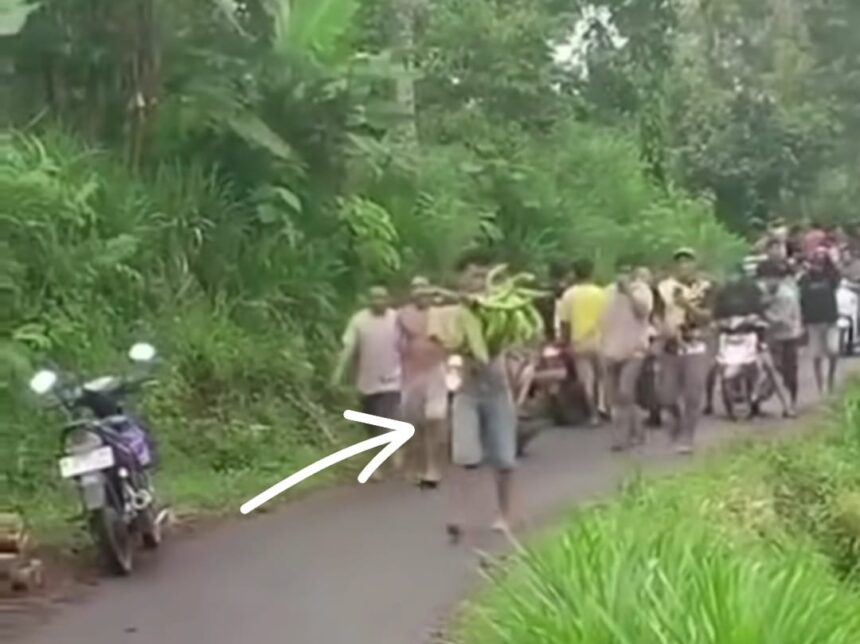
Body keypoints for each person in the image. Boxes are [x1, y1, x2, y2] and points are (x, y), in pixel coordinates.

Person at [438, 250, 518, 541]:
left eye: (482, 276)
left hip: (497, 388)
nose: (477, 282)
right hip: (467, 391)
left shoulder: (502, 311)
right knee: (464, 457)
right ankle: (458, 514)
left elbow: (513, 341)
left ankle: (504, 514)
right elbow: (448, 346)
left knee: (504, 459)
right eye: (472, 276)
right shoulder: (454, 314)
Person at [332, 286, 403, 475]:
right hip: (367, 382)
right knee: (371, 424)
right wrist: (338, 373)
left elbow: (407, 347)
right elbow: (349, 349)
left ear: (388, 299)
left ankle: (379, 464)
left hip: (393, 379)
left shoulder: (397, 319)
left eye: (382, 298)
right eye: (374, 298)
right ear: (368, 300)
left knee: (385, 416)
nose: (378, 301)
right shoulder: (359, 320)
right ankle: (389, 449)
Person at [657, 248, 713, 454]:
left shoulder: (705, 287)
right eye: (679, 262)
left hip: (695, 344)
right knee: (667, 396)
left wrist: (686, 305)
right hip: (670, 346)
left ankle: (688, 436)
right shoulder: (663, 288)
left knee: (693, 394)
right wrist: (661, 330)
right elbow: (655, 314)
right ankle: (677, 425)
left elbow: (707, 316)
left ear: (695, 265)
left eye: (688, 262)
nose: (683, 266)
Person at [398, 276, 448, 488]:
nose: (420, 293)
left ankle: (433, 468)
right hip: (410, 375)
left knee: (434, 420)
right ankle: (414, 464)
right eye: (416, 288)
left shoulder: (440, 314)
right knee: (413, 425)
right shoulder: (402, 315)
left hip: (436, 371)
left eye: (424, 288)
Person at [601, 261, 653, 451]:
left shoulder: (641, 290)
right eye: (619, 272)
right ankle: (637, 429)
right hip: (611, 349)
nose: (622, 276)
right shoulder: (606, 292)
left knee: (625, 391)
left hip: (635, 349)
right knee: (614, 398)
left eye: (626, 271)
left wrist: (628, 293)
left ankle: (620, 438)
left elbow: (643, 312)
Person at [558, 258, 608, 425]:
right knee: (604, 378)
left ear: (574, 273)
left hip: (579, 342)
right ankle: (605, 408)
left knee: (586, 380)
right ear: (591, 272)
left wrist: (565, 343)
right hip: (601, 340)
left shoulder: (569, 295)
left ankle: (593, 415)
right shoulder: (601, 293)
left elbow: (564, 322)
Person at [759, 261, 801, 416]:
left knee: (789, 370)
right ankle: (760, 398)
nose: (769, 282)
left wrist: (762, 311)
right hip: (770, 335)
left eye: (773, 278)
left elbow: (780, 320)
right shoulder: (761, 291)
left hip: (788, 334)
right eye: (766, 278)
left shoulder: (787, 295)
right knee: (771, 369)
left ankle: (792, 403)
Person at [799, 249, 841, 394]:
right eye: (817, 257)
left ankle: (831, 379)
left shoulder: (830, 276)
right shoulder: (806, 278)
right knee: (816, 355)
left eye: (822, 257)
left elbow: (837, 278)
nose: (819, 260)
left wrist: (831, 264)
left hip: (830, 319)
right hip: (813, 321)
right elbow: (802, 298)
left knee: (833, 351)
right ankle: (820, 385)